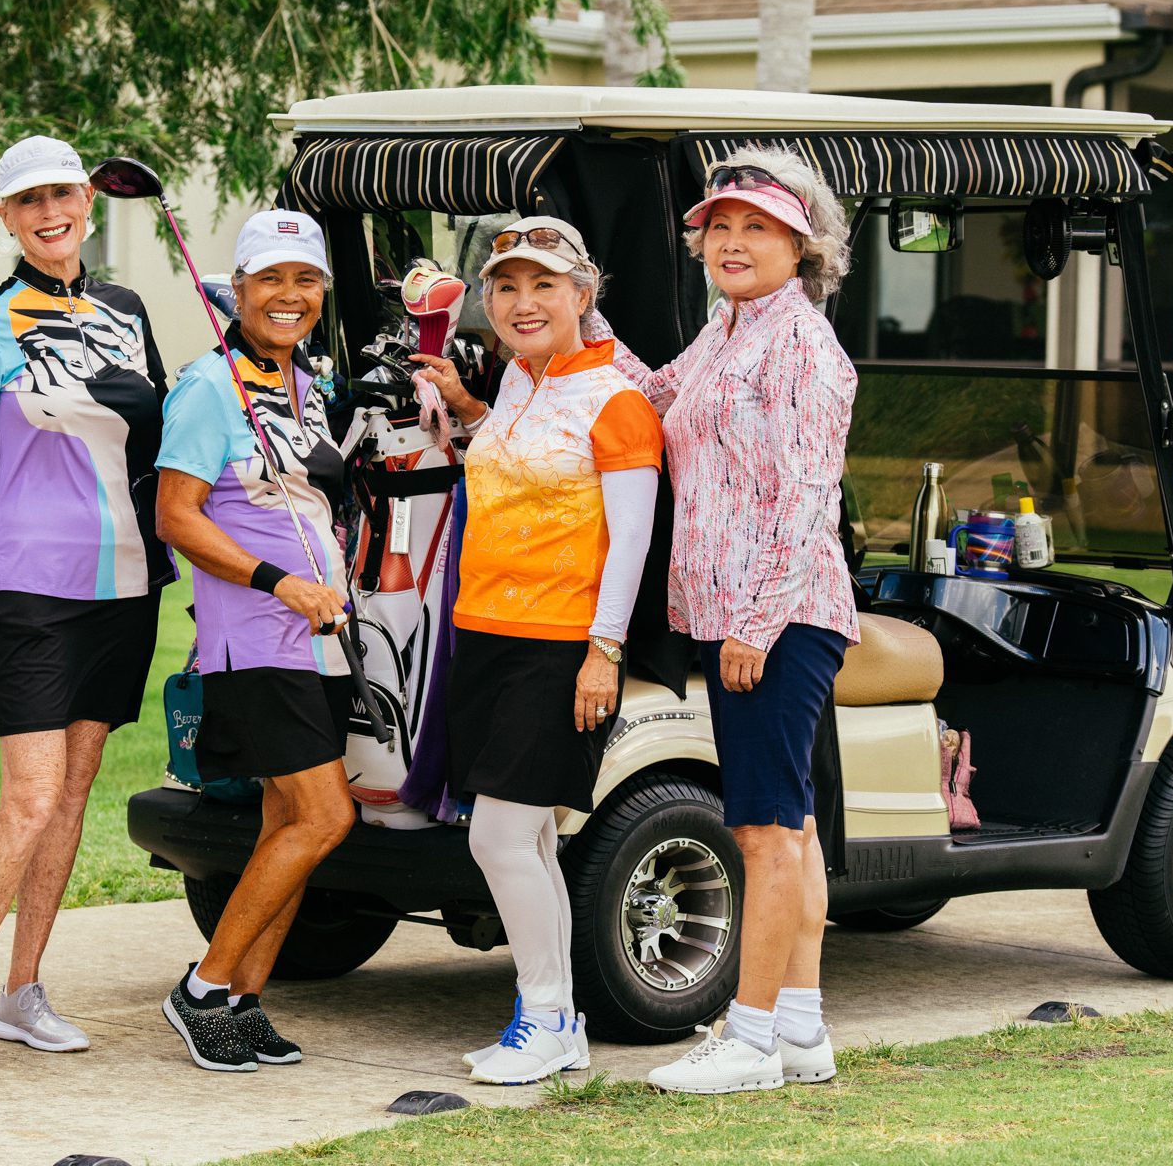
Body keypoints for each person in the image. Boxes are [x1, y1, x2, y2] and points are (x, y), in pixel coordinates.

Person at [0, 135, 174, 1070]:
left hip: (125, 583)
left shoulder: (129, 310)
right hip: (28, 584)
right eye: (28, 201)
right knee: (30, 797)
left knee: (74, 794)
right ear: (7, 217)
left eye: (63, 194)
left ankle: (23, 992)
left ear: (88, 200)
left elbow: (162, 445)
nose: (50, 212)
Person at [596, 146, 858, 1094]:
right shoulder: (731, 328)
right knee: (793, 825)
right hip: (736, 611)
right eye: (722, 227)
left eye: (759, 227)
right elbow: (660, 397)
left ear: (804, 244)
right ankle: (800, 1030)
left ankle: (746, 1042)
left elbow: (806, 501)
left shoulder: (801, 347)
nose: (734, 242)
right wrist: (583, 319)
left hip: (779, 615)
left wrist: (755, 625)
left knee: (761, 833)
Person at [415, 216, 663, 1086]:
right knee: (531, 843)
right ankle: (553, 1018)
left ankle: (549, 1016)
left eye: (543, 286)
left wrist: (605, 651)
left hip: (561, 646)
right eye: (506, 286)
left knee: (500, 837)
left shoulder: (617, 400)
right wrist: (471, 410)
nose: (523, 303)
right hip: (483, 634)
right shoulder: (520, 383)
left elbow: (630, 540)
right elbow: (514, 462)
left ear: (582, 296)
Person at [153, 210, 356, 1073]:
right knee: (325, 816)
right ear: (237, 289)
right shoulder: (210, 387)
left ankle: (241, 1002)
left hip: (322, 644)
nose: (290, 296)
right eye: (271, 278)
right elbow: (175, 516)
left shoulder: (305, 388)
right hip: (255, 641)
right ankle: (201, 987)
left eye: (305, 280)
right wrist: (279, 583)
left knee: (287, 821)